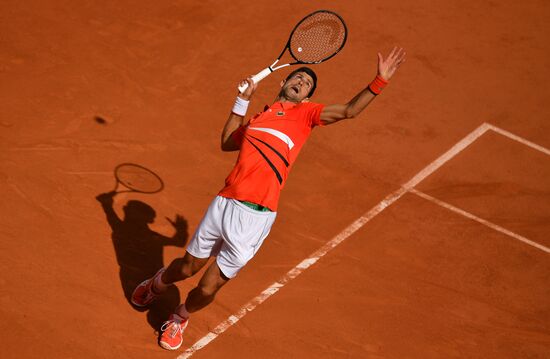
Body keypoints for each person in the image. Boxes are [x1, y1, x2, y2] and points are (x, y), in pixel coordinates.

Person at [131, 47, 406, 350]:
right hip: (225, 203)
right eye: (298, 77)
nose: (302, 81)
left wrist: (379, 81)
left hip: (256, 219)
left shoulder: (306, 115)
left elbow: (349, 110)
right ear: (283, 83)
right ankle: (158, 284)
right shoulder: (259, 119)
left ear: (306, 97)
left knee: (208, 288)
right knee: (185, 268)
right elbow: (226, 142)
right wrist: (242, 100)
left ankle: (180, 316)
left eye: (307, 84)